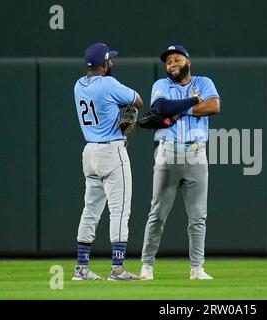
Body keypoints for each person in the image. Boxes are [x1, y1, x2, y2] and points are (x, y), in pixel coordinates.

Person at [140, 45, 221, 280]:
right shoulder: (161, 85)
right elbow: (161, 108)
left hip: (197, 153)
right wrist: (194, 102)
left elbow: (214, 106)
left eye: (176, 59)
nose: (172, 64)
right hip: (168, 154)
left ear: (188, 62)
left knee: (198, 217)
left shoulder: (204, 82)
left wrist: (178, 112)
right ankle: (147, 265)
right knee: (157, 214)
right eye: (168, 62)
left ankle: (197, 269)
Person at [72, 42, 143, 281]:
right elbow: (138, 100)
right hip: (112, 151)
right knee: (120, 211)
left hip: (89, 152)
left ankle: (81, 267)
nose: (111, 62)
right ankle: (118, 269)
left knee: (90, 211)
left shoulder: (78, 85)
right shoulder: (109, 83)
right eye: (109, 59)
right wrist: (124, 107)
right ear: (104, 63)